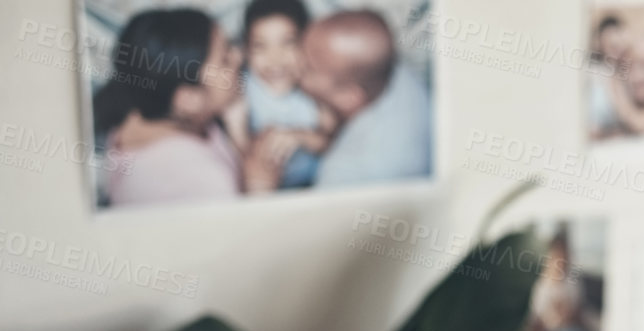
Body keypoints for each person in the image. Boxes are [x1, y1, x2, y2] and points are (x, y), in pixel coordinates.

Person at [95, 8, 284, 205]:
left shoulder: (140, 113)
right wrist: (259, 192)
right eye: (225, 59)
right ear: (189, 100)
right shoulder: (202, 182)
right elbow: (240, 233)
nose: (239, 55)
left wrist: (237, 130)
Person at [299, 8, 431, 187]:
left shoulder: (346, 174)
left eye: (309, 68)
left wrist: (259, 184)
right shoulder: (385, 68)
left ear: (349, 98)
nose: (295, 65)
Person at [223, 0, 337, 189]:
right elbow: (239, 165)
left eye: (288, 43)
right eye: (260, 46)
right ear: (246, 51)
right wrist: (239, 131)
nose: (275, 59)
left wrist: (301, 136)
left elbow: (334, 144)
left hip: (314, 186)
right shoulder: (241, 91)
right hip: (265, 192)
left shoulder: (315, 87)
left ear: (306, 43)